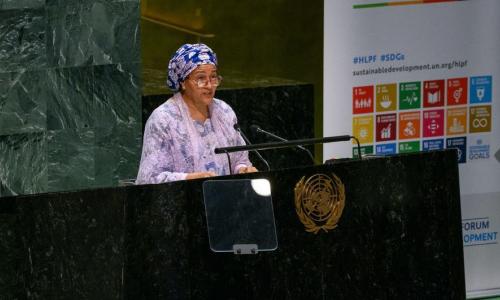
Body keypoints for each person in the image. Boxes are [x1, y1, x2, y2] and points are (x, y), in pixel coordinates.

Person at [136, 43, 257, 184]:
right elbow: (148, 179)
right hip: (182, 201)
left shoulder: (224, 111)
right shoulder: (163, 119)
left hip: (225, 199)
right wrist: (188, 179)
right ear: (183, 82)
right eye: (201, 78)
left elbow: (239, 160)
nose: (209, 85)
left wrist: (242, 170)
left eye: (213, 77)